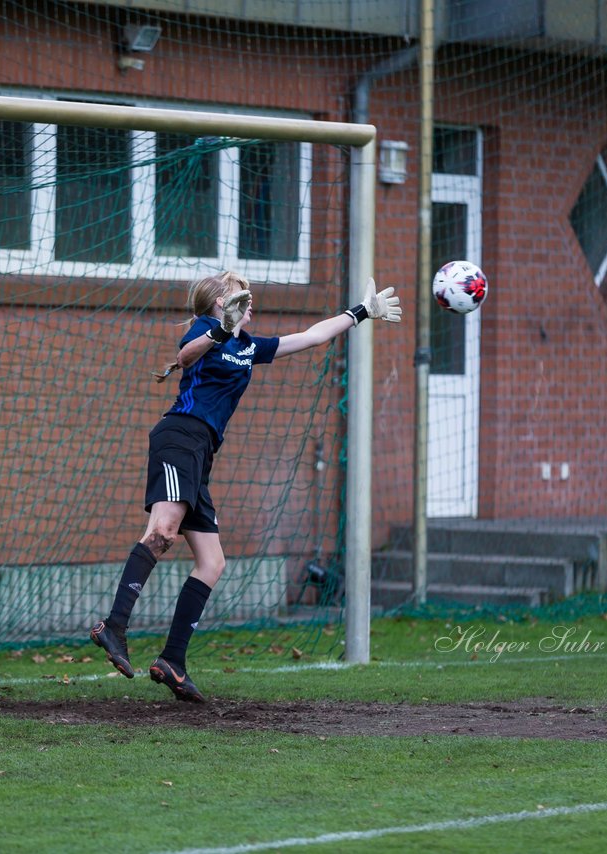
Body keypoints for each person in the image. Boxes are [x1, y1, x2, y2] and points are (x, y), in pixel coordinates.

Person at [90, 271, 401, 702]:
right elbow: (185, 356)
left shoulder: (248, 346)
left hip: (202, 451)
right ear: (220, 302)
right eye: (242, 296)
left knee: (212, 561)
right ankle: (114, 626)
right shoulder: (206, 329)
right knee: (162, 532)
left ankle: (172, 661)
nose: (251, 303)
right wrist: (219, 329)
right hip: (180, 437)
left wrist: (361, 312)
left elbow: (311, 336)